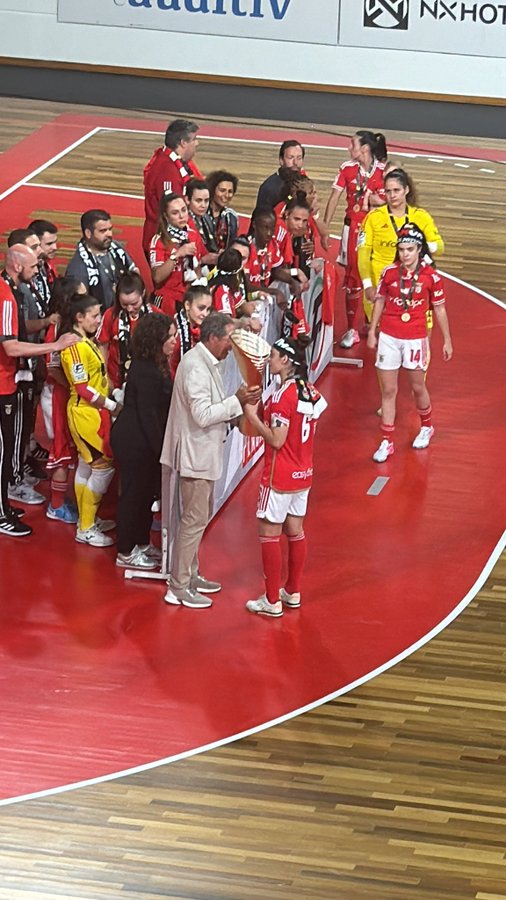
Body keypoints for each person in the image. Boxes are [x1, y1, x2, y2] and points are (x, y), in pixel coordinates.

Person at [160, 312, 261, 609]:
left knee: (198, 518)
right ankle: (178, 586)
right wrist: (237, 401)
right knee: (193, 521)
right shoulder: (195, 367)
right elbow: (203, 415)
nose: (232, 346)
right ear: (213, 337)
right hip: (194, 455)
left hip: (202, 453)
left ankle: (190, 574)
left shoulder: (207, 361)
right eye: (229, 339)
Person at [242, 336, 327, 617]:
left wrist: (253, 417)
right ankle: (292, 591)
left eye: (273, 356)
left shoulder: (282, 397)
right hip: (304, 473)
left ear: (286, 360)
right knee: (295, 531)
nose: (269, 360)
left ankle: (271, 600)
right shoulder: (310, 391)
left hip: (279, 475)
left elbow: (277, 440)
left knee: (269, 533)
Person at [0, 246, 79, 537]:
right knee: (4, 450)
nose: (37, 271)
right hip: (4, 383)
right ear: (17, 266)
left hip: (8, 380)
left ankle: (3, 505)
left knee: (7, 447)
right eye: (33, 266)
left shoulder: (10, 292)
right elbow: (11, 346)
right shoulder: (6, 297)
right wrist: (54, 346)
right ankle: (0, 512)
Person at [367, 225, 453, 463]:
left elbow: (440, 309)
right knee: (388, 390)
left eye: (410, 249)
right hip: (389, 337)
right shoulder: (388, 273)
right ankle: (387, 441)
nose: (405, 254)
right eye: (402, 249)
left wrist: (447, 339)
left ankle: (426, 426)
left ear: (419, 249)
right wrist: (373, 330)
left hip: (415, 338)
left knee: (417, 387)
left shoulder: (431, 277)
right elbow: (380, 301)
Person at [111, 313, 176, 570]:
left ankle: (141, 542)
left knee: (145, 494)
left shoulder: (156, 363)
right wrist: (161, 451)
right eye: (169, 337)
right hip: (135, 442)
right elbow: (148, 415)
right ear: (155, 339)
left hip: (145, 440)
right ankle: (125, 551)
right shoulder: (146, 370)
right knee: (133, 496)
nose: (174, 341)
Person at [60, 294, 118, 547]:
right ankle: (85, 527)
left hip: (94, 412)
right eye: (94, 316)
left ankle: (87, 518)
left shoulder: (85, 340)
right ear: (79, 317)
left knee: (86, 465)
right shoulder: (74, 346)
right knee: (103, 466)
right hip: (84, 413)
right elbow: (82, 387)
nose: (98, 320)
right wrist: (111, 405)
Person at [323, 131, 388, 348]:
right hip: (353, 230)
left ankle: (373, 322)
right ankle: (352, 329)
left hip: (378, 230)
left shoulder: (385, 170)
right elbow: (335, 197)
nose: (348, 148)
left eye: (352, 144)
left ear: (365, 149)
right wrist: (325, 228)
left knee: (378, 274)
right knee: (353, 278)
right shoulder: (346, 168)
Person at [358, 168, 444, 326]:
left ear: (406, 190)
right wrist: (368, 285)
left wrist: (424, 244)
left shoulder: (421, 217)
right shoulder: (373, 218)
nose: (392, 195)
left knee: (420, 334)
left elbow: (440, 247)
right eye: (388, 191)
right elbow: (363, 254)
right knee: (384, 335)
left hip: (416, 288)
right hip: (382, 288)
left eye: (396, 190)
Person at [42, 277, 86, 523]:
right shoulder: (58, 329)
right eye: (81, 296)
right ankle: (56, 505)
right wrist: (75, 387)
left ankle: (62, 500)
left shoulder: (70, 325)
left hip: (67, 394)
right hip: (58, 396)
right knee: (62, 448)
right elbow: (52, 368)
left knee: (70, 446)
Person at [142, 118, 202, 256]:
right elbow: (172, 212)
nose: (197, 143)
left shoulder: (177, 162)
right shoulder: (167, 171)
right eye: (194, 139)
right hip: (166, 245)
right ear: (183, 143)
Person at [96, 272, 160, 391]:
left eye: (134, 304)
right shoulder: (111, 315)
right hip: (116, 380)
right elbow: (102, 346)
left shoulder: (156, 315)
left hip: (148, 381)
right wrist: (105, 377)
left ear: (143, 294)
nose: (130, 309)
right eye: (124, 304)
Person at [66, 209, 138, 312]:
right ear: (88, 233)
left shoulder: (116, 248)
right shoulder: (78, 268)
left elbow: (135, 274)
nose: (109, 234)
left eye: (110, 229)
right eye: (103, 231)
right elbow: (80, 306)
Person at [149, 191, 206, 316]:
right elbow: (157, 277)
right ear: (166, 216)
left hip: (189, 298)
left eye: (184, 210)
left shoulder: (193, 235)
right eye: (175, 213)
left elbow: (199, 263)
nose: (181, 216)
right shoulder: (159, 240)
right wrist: (177, 255)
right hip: (167, 300)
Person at [208, 247, 262, 328]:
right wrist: (246, 322)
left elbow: (242, 305)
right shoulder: (222, 289)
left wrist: (254, 315)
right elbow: (225, 321)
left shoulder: (231, 284)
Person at [170, 284, 212, 380]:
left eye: (208, 309)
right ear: (187, 305)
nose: (205, 314)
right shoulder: (175, 330)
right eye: (201, 308)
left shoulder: (204, 328)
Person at [256, 140, 305, 210]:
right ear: (281, 160)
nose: (295, 162)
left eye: (299, 158)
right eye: (290, 158)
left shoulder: (303, 180)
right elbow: (262, 216)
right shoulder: (270, 188)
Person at [185, 178, 219, 266]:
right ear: (187, 200)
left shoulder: (207, 218)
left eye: (206, 200)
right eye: (198, 200)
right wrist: (202, 260)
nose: (203, 205)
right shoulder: (183, 222)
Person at [203, 170, 239, 252]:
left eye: (230, 191)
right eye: (222, 190)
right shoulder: (201, 213)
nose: (226, 195)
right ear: (212, 190)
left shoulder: (231, 217)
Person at [28, 219, 59, 314]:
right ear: (35, 245)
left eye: (55, 242)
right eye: (49, 244)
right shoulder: (26, 272)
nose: (55, 247)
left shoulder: (48, 266)